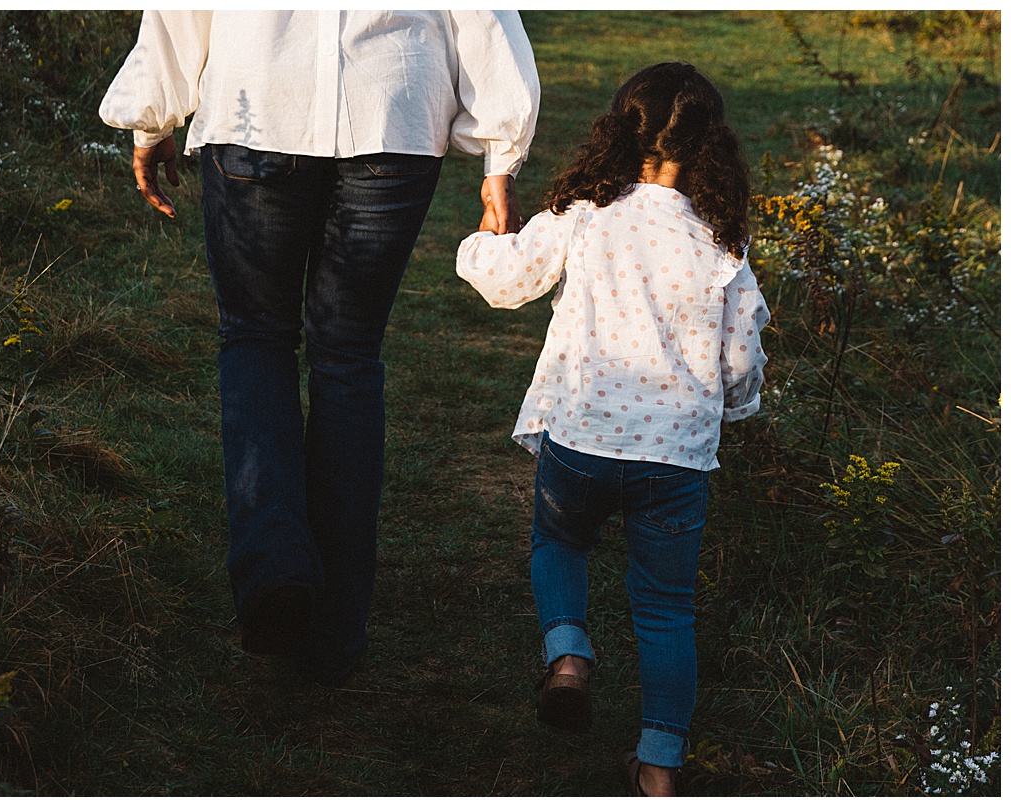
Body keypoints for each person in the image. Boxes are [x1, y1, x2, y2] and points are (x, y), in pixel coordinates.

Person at [100, 11, 539, 686]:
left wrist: (154, 117)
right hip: (393, 114)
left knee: (255, 337)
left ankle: (276, 567)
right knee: (347, 356)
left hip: (257, 107)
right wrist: (501, 155)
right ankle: (334, 630)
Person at [456, 63, 769, 796]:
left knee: (559, 540)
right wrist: (735, 405)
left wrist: (480, 242)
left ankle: (568, 655)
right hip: (676, 458)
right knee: (666, 608)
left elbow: (508, 281)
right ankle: (658, 763)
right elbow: (743, 349)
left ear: (619, 134)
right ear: (709, 147)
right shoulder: (721, 240)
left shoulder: (587, 213)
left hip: (581, 438)